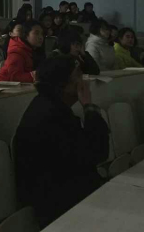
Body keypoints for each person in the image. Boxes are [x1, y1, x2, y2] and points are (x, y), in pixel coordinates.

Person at [14, 56, 109, 227]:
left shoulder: (46, 105)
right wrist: (89, 106)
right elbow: (98, 152)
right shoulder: (53, 117)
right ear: (64, 85)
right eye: (78, 76)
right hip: (60, 209)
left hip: (60, 196)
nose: (83, 81)